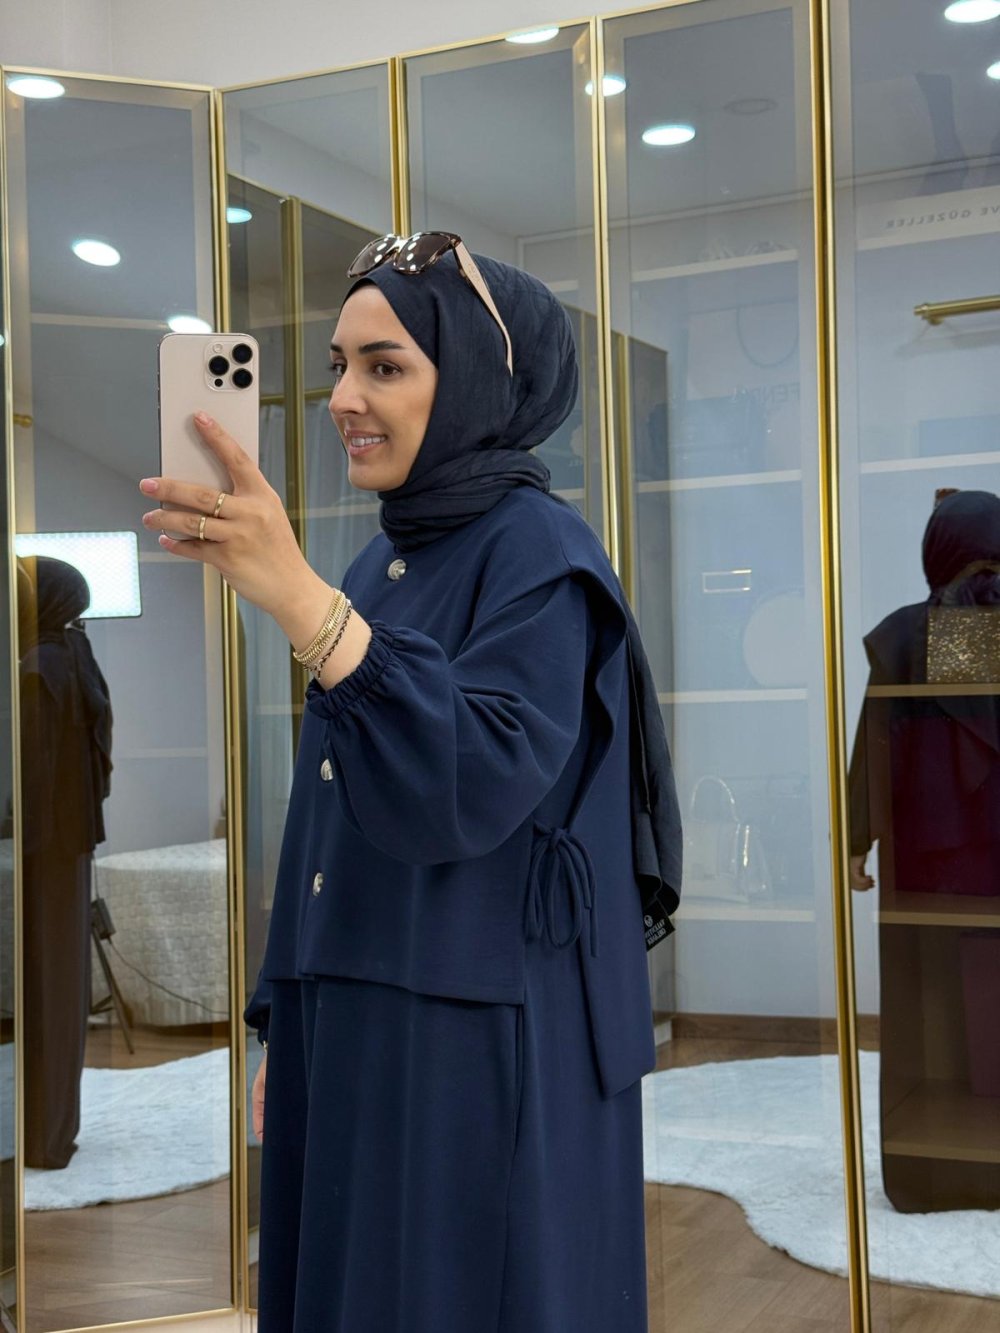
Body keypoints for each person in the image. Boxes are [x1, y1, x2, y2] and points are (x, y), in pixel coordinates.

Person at [141, 231, 681, 1332]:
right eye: (339, 365)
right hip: (355, 1003)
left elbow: (470, 781)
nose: (345, 397)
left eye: (384, 366)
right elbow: (326, 810)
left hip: (470, 1029)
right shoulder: (377, 560)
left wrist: (302, 603)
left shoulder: (540, 553)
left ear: (477, 380)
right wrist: (283, 1009)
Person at [19, 556, 113, 1169]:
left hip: (39, 851)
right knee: (62, 989)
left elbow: (28, 778)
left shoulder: (36, 668)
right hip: (70, 847)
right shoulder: (76, 654)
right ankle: (54, 1132)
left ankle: (39, 1136)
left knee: (41, 991)